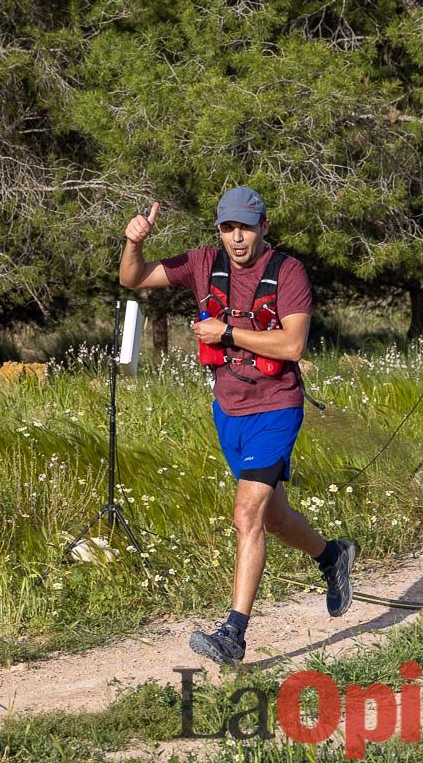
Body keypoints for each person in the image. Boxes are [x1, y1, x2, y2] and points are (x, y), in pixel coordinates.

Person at [119, 186, 357, 664]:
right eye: (228, 228)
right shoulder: (203, 263)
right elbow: (134, 278)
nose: (237, 238)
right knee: (273, 517)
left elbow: (292, 346)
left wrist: (225, 331)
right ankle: (332, 556)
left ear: (263, 228)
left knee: (246, 514)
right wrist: (135, 242)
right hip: (228, 408)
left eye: (246, 227)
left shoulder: (288, 273)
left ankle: (233, 635)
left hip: (276, 407)